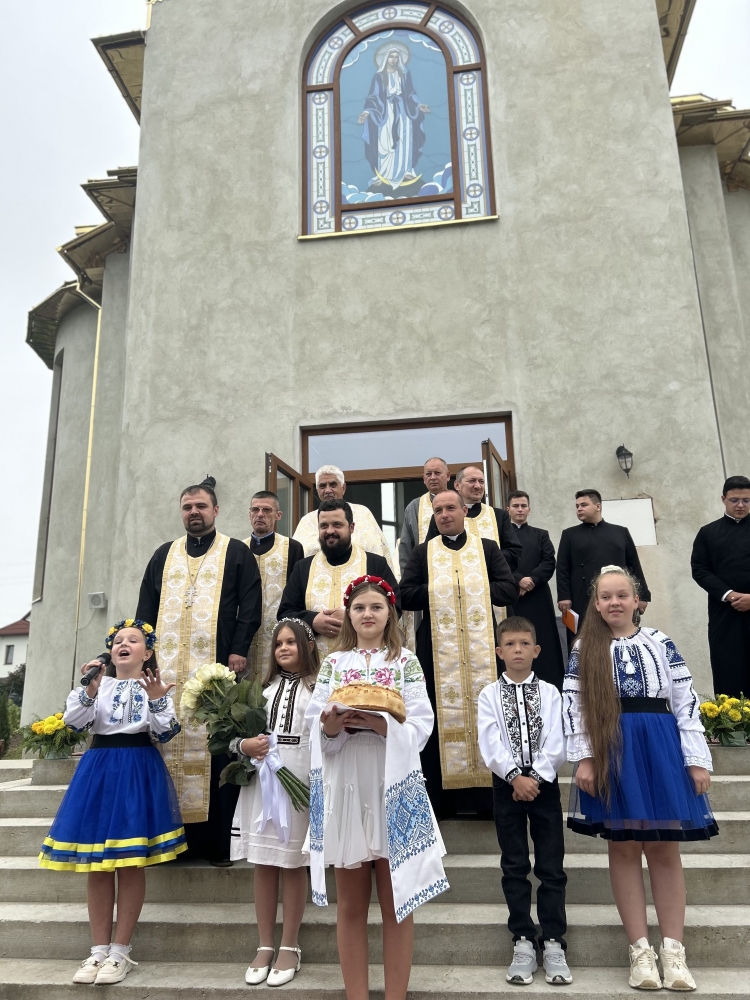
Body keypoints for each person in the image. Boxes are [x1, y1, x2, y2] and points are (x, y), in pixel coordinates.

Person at [563, 566, 716, 991]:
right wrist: (585, 758)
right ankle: (640, 952)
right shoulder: (585, 648)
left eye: (622, 595)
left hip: (660, 746)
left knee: (664, 848)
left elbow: (685, 699)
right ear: (596, 605)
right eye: (606, 596)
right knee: (625, 847)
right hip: (614, 747)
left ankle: (674, 951)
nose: (614, 602)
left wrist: (695, 760)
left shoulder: (660, 642)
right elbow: (574, 703)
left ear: (636, 601)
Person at [305, 575, 448, 1000]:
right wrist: (332, 727)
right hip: (348, 782)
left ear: (391, 614)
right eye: (359, 607)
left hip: (392, 781)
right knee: (350, 906)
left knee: (398, 901)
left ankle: (395, 996)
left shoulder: (406, 662)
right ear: (349, 615)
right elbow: (315, 724)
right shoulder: (334, 663)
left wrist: (381, 724)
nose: (368, 614)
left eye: (376, 607)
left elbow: (421, 723)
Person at [39, 620, 185, 985]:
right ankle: (98, 950)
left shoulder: (153, 687)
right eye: (118, 640)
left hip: (137, 770)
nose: (124, 644)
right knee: (97, 866)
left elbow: (165, 731)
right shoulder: (95, 686)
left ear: (146, 653)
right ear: (110, 652)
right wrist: (90, 689)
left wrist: (157, 700)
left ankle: (120, 952)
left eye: (133, 640)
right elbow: (75, 722)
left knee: (129, 862)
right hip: (99, 772)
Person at [136, 475, 261, 865]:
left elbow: (250, 606)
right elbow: (145, 610)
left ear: (216, 510)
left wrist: (238, 649)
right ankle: (170, 843)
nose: (194, 512)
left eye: (201, 506)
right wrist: (144, 658)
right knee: (165, 748)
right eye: (187, 507)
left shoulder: (236, 552)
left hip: (216, 670)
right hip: (167, 675)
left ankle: (217, 845)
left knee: (216, 749)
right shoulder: (164, 555)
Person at [400, 490, 518, 818]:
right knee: (437, 717)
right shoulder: (423, 552)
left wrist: (468, 588)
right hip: (436, 650)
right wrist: (440, 591)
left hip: (483, 649)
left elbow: (508, 589)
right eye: (438, 510)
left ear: (464, 511)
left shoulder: (487, 548)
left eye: (450, 508)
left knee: (488, 715)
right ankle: (441, 802)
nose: (444, 514)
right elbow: (405, 595)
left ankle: (489, 801)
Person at [478, 616, 570, 987]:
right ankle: (522, 939)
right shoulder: (489, 695)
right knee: (514, 864)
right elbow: (489, 741)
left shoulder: (551, 693)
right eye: (510, 644)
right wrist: (515, 776)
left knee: (551, 866)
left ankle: (554, 941)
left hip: (544, 786)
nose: (517, 650)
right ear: (499, 652)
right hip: (507, 787)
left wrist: (536, 777)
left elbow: (557, 739)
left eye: (524, 644)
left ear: (537, 650)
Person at [230, 618, 319, 987]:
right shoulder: (260, 692)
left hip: (300, 782)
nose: (283, 648)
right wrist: (244, 745)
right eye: (278, 643)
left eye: (291, 642)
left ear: (308, 646)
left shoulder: (319, 690)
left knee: (292, 862)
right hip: (262, 785)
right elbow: (233, 738)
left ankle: (289, 944)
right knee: (265, 862)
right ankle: (265, 943)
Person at [278, 499, 400, 660]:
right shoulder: (303, 567)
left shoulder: (375, 563)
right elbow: (285, 613)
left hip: (364, 663)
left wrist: (354, 617)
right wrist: (312, 621)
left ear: (351, 527)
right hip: (313, 666)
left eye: (337, 525)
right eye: (324, 526)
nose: (330, 531)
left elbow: (395, 607)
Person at [556, 490, 650, 646]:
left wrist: (643, 596)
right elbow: (562, 568)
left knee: (619, 638)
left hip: (616, 597)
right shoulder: (569, 535)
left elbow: (633, 565)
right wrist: (564, 596)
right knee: (583, 642)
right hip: (581, 597)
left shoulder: (620, 532)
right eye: (577, 506)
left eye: (584, 505)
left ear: (598, 506)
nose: (579, 509)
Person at [690, 475, 750, 698]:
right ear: (723, 499)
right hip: (724, 615)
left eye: (746, 500)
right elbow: (700, 570)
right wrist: (730, 595)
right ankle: (732, 719)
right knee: (729, 669)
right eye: (734, 500)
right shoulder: (708, 533)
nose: (740, 505)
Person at [506, 490, 566, 690]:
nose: (520, 509)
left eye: (523, 506)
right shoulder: (500, 537)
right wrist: (518, 580)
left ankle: (549, 683)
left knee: (543, 639)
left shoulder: (541, 535)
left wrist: (531, 580)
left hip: (538, 596)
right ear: (508, 509)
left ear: (529, 509)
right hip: (512, 596)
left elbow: (549, 561)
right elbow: (498, 562)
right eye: (515, 506)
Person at [243, 490, 305, 679]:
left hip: (279, 634)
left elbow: (297, 596)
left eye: (267, 510)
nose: (260, 514)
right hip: (245, 637)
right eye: (255, 510)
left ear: (278, 515)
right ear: (249, 514)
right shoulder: (238, 549)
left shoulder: (292, 547)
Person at [293, 465, 396, 572]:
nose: (327, 490)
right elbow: (297, 558)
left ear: (343, 488)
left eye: (333, 485)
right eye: (322, 486)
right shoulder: (306, 521)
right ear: (317, 490)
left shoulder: (363, 513)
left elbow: (378, 550)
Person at [425, 464, 521, 572]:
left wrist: (487, 557)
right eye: (472, 481)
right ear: (457, 485)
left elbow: (514, 552)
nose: (478, 486)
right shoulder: (442, 517)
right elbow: (430, 551)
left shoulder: (499, 515)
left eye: (481, 481)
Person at [398, 457, 451, 574]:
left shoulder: (460, 503)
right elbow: (406, 548)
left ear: (448, 476)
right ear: (424, 479)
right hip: (425, 573)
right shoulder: (414, 506)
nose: (433, 477)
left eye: (437, 473)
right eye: (428, 474)